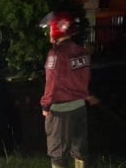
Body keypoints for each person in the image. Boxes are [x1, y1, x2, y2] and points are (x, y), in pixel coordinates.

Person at [39, 12, 99, 168]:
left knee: (58, 153)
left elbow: (51, 83)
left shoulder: (56, 54)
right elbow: (84, 79)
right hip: (80, 108)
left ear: (55, 30)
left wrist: (45, 106)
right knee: (79, 150)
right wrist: (86, 96)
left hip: (60, 112)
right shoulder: (82, 52)